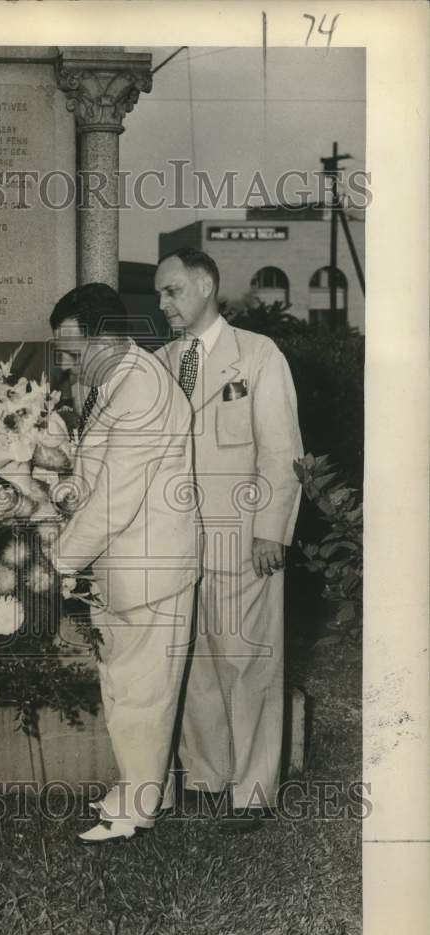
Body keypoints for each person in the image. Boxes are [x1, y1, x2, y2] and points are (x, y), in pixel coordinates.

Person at [154, 248, 303, 832]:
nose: (162, 303)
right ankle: (208, 778)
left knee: (248, 660)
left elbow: (282, 449)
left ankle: (253, 791)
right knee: (191, 662)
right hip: (179, 539)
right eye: (160, 294)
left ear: (206, 285)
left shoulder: (260, 355)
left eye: (171, 291)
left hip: (244, 537)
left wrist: (271, 530)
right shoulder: (162, 362)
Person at [50, 283, 202, 843]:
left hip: (149, 565)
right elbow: (99, 467)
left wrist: (58, 560)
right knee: (128, 684)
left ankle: (136, 812)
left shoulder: (139, 388)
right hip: (129, 564)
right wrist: (67, 492)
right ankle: (139, 789)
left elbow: (116, 500)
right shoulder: (118, 377)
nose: (65, 363)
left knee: (141, 691)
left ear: (104, 338)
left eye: (71, 351)